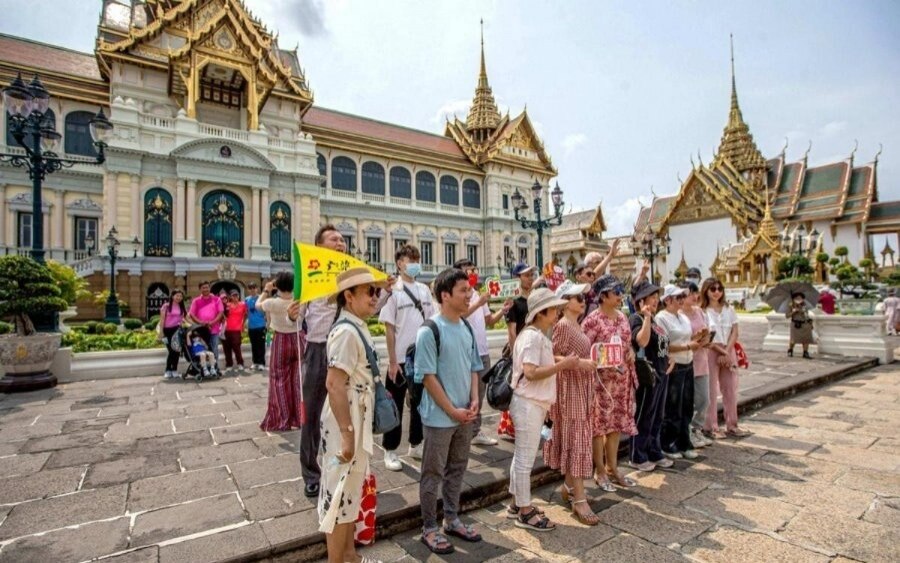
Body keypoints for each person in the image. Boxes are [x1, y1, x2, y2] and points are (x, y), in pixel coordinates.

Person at [318, 268, 387, 563]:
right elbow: (334, 384)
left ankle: (349, 555)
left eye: (377, 292)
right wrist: (347, 435)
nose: (375, 298)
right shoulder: (346, 332)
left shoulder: (355, 326)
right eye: (369, 292)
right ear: (349, 296)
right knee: (337, 492)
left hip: (356, 415)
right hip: (344, 421)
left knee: (349, 492)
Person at [414, 268, 484, 554]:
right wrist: (452, 410)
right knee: (433, 473)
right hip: (440, 417)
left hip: (464, 414)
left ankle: (451, 518)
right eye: (463, 291)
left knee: (458, 468)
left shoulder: (466, 327)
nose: (469, 296)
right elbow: (428, 377)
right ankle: (429, 527)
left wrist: (475, 400)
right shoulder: (429, 330)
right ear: (445, 295)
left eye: (469, 291)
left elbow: (473, 367)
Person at [508, 288, 577, 533]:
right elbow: (531, 372)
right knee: (525, 459)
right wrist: (564, 365)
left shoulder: (535, 335)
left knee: (521, 456)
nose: (557, 312)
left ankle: (517, 503)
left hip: (532, 402)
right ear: (541, 312)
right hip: (528, 402)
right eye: (554, 309)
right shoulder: (532, 337)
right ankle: (525, 510)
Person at [545, 280, 601, 526]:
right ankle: (579, 497)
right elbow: (551, 356)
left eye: (583, 297)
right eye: (578, 297)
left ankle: (569, 485)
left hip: (582, 387)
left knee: (580, 438)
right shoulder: (563, 326)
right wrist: (578, 363)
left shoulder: (575, 325)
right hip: (569, 389)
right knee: (577, 440)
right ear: (566, 302)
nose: (583, 301)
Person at [379, 244, 435, 471]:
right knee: (394, 405)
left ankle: (416, 444)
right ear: (399, 263)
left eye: (416, 259)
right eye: (409, 259)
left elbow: (431, 322)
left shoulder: (424, 289)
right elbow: (389, 328)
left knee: (420, 404)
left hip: (421, 357)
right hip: (400, 359)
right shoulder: (393, 290)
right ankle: (390, 450)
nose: (413, 263)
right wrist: (392, 361)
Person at [582, 275, 639, 489]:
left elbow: (627, 343)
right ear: (603, 296)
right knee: (599, 427)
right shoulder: (592, 321)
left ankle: (612, 467)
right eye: (616, 293)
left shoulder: (622, 317)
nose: (620, 297)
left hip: (621, 381)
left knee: (615, 425)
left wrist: (630, 352)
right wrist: (604, 360)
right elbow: (585, 351)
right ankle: (599, 471)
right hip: (600, 383)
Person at [456, 258, 511, 447]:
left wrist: (503, 311)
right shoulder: (461, 295)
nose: (472, 273)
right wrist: (478, 302)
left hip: (482, 350)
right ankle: (461, 433)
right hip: (464, 352)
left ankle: (475, 431)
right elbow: (458, 315)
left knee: (478, 394)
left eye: (474, 270)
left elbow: (489, 321)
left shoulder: (479, 293)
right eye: (468, 270)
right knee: (464, 394)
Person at [628, 281, 673, 472]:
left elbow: (662, 345)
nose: (655, 301)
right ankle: (637, 455)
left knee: (657, 416)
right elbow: (642, 341)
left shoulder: (654, 320)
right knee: (644, 415)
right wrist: (646, 317)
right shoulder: (636, 319)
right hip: (647, 374)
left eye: (656, 298)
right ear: (640, 301)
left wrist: (669, 358)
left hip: (662, 372)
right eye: (651, 298)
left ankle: (654, 450)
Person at [701, 278, 751, 438]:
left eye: (719, 289)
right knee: (711, 390)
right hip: (711, 350)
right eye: (713, 289)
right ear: (706, 291)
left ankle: (732, 424)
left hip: (728, 350)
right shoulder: (703, 312)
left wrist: (727, 351)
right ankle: (711, 427)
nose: (716, 292)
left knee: (730, 388)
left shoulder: (728, 309)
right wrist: (721, 351)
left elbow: (735, 331)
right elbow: (705, 337)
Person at [655, 284, 700, 460]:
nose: (682, 300)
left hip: (688, 362)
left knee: (687, 405)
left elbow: (687, 338)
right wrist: (688, 345)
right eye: (678, 297)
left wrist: (698, 339)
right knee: (673, 407)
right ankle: (668, 443)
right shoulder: (662, 318)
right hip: (675, 364)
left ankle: (684, 442)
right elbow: (664, 345)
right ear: (667, 300)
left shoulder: (682, 317)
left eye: (683, 297)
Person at [257, 272, 304, 432]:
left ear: (277, 285)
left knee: (279, 380)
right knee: (298, 380)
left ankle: (283, 419)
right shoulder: (300, 301)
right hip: (298, 339)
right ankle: (300, 417)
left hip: (281, 340)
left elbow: (257, 305)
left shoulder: (272, 303)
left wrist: (266, 290)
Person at [498, 262, 536, 440]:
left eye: (531, 274)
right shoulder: (512, 302)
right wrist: (515, 355)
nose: (530, 278)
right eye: (526, 275)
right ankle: (514, 428)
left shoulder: (534, 299)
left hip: (533, 349)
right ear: (516, 278)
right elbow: (511, 331)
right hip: (520, 351)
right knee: (517, 391)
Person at [681, 282, 713, 449]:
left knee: (704, 399)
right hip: (687, 360)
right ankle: (687, 432)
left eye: (695, 293)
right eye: (690, 294)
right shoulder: (679, 315)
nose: (694, 297)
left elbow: (706, 332)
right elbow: (680, 339)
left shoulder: (700, 312)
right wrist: (695, 337)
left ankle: (697, 428)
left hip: (702, 358)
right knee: (688, 400)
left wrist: (706, 339)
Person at [188, 281, 225, 364]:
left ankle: (215, 368)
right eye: (203, 288)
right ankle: (204, 369)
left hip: (214, 329)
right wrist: (201, 323)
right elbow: (192, 314)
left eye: (207, 287)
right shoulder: (196, 301)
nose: (205, 289)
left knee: (214, 348)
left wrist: (212, 322)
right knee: (202, 349)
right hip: (201, 330)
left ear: (209, 288)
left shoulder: (216, 299)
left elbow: (220, 312)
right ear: (200, 289)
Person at [159, 289, 186, 379]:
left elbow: (183, 319)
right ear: (172, 296)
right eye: (177, 295)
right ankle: (167, 370)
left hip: (177, 331)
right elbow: (162, 319)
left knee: (177, 351)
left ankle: (174, 370)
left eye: (180, 296)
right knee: (171, 351)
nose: (179, 298)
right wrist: (161, 332)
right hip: (167, 331)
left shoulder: (181, 307)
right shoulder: (166, 306)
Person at [222, 289, 247, 375]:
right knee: (226, 348)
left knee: (237, 348)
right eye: (233, 295)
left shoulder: (243, 305)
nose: (235, 297)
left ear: (239, 296)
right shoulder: (227, 305)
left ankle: (240, 363)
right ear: (230, 297)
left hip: (236, 330)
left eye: (236, 295)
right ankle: (229, 365)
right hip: (226, 330)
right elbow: (222, 314)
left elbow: (246, 314)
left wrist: (243, 324)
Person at [245, 282, 268, 371]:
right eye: (250, 288)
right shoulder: (246, 300)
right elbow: (245, 312)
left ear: (257, 288)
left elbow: (267, 311)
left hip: (261, 325)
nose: (252, 290)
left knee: (261, 345)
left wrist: (268, 323)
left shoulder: (261, 298)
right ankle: (255, 362)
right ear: (248, 290)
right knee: (253, 345)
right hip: (251, 326)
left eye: (254, 287)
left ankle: (262, 363)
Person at [787, 291, 814, 360]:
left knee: (806, 339)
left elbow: (807, 315)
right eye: (797, 298)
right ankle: (790, 350)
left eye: (800, 298)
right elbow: (787, 316)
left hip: (805, 324)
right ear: (793, 299)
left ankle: (805, 352)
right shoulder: (791, 306)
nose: (799, 299)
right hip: (795, 324)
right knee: (793, 339)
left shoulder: (804, 306)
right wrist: (793, 312)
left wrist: (810, 323)